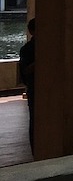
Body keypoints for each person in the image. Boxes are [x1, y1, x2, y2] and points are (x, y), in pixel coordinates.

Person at [18, 18, 35, 155]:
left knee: (34, 120)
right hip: (35, 88)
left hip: (33, 88)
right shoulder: (27, 50)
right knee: (35, 120)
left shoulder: (25, 49)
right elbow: (26, 70)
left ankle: (36, 150)